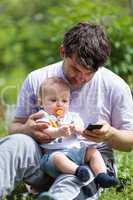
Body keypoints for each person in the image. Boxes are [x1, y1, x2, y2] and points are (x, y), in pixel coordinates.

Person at [0, 22, 133, 200]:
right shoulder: (37, 79)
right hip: (45, 159)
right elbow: (15, 126)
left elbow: (129, 141)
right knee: (15, 143)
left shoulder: (115, 86)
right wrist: (27, 129)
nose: (81, 78)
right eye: (76, 69)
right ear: (63, 52)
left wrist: (110, 134)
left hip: (87, 163)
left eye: (89, 72)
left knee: (75, 181)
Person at [35, 76, 118, 188]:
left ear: (69, 102)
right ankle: (78, 172)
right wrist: (58, 132)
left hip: (76, 152)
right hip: (53, 157)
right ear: (41, 102)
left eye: (64, 101)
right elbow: (47, 131)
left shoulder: (72, 116)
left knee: (93, 152)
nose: (59, 104)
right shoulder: (43, 117)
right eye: (53, 100)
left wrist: (76, 128)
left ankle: (101, 175)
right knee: (58, 157)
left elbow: (81, 129)